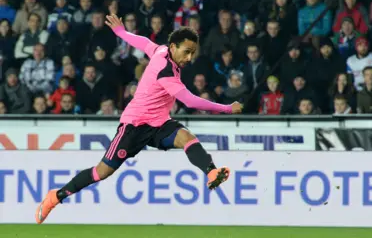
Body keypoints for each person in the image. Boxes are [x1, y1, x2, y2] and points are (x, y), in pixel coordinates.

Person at [35, 13, 243, 225]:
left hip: (159, 123)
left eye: (193, 53)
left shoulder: (162, 51)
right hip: (134, 126)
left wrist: (122, 32)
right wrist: (227, 108)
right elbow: (190, 101)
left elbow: (144, 43)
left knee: (186, 137)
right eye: (186, 52)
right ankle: (56, 196)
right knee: (101, 172)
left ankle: (211, 172)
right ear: (173, 47)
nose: (189, 58)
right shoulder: (166, 71)